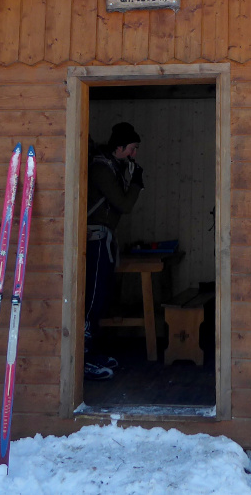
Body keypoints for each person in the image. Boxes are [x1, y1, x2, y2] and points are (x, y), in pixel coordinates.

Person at [83, 121, 145, 381]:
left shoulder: (113, 166)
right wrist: (137, 185)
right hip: (96, 239)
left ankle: (90, 352)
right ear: (118, 147)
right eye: (132, 148)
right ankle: (82, 358)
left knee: (102, 296)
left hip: (103, 240)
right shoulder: (101, 168)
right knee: (93, 298)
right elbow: (122, 204)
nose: (134, 154)